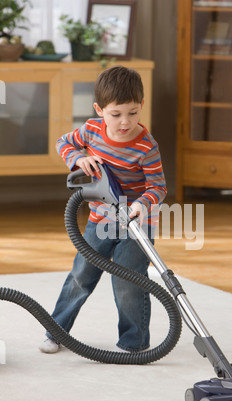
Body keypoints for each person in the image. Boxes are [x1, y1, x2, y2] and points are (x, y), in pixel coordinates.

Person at [39, 65, 167, 354]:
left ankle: (134, 343)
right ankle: (56, 332)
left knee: (128, 279)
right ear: (99, 109)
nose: (125, 122)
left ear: (141, 106)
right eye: (116, 114)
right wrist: (77, 158)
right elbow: (63, 142)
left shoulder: (146, 147)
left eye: (133, 113)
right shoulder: (92, 130)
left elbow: (158, 188)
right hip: (100, 218)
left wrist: (140, 204)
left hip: (137, 222)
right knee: (81, 274)